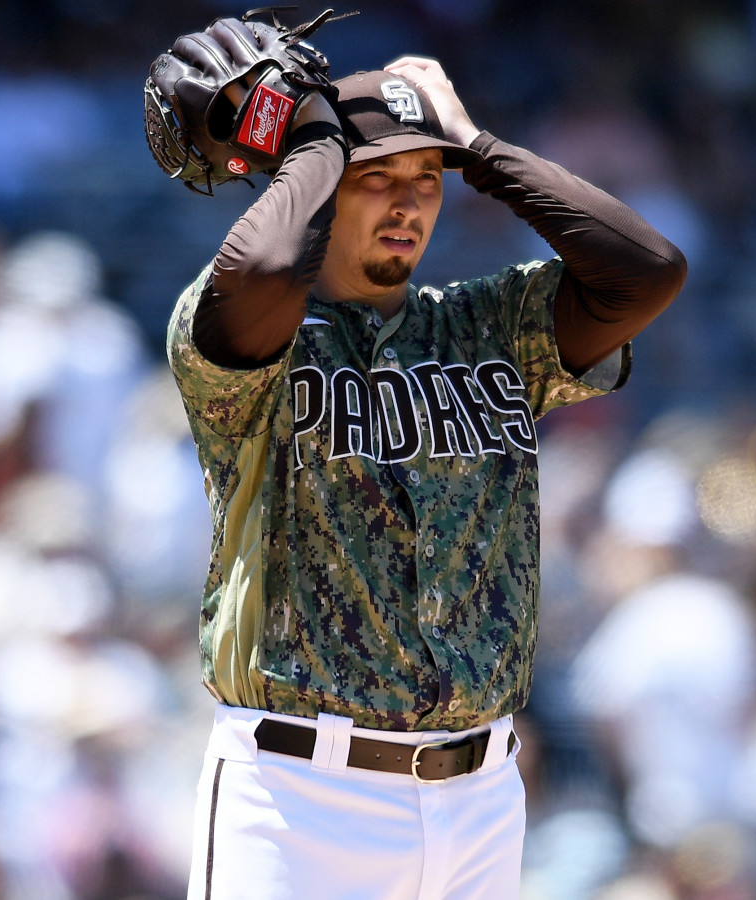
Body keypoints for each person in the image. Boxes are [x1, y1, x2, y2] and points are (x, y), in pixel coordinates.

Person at [166, 48, 687, 900]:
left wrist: (476, 146)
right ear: (324, 178)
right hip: (299, 797)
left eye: (428, 177)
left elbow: (648, 271)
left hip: (479, 797)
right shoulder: (253, 330)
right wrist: (316, 141)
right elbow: (259, 272)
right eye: (379, 177)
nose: (409, 200)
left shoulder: (489, 326)